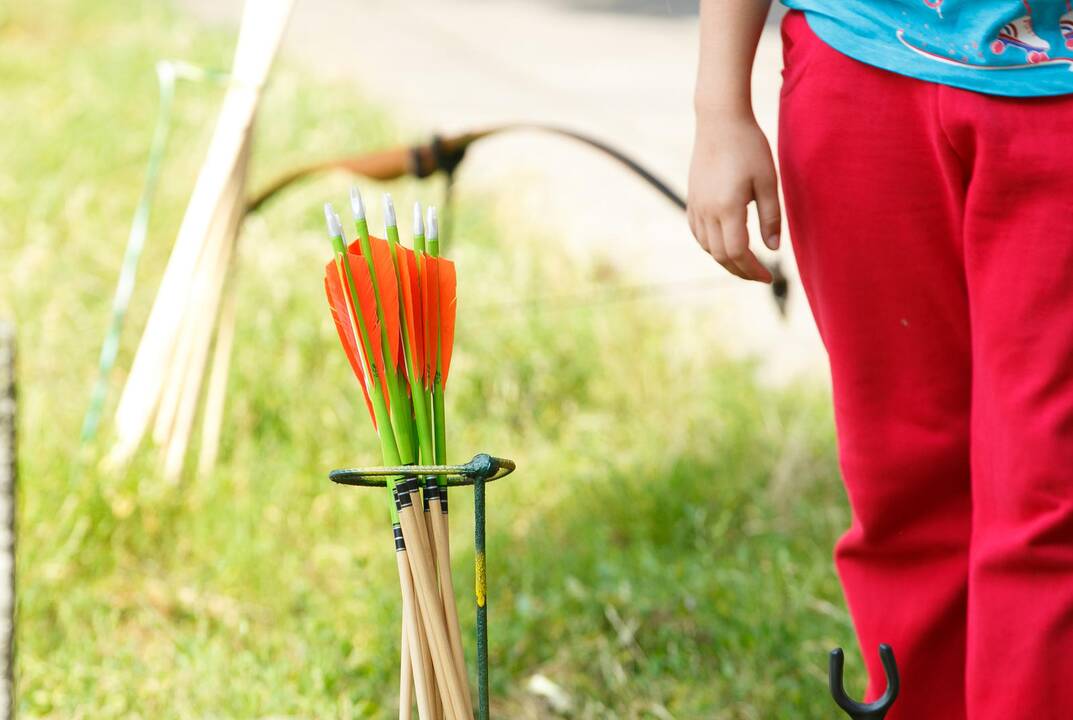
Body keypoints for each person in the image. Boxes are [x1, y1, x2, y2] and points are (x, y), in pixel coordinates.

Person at [688, 1, 1073, 718]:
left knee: (1048, 496)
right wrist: (719, 107)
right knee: (899, 472)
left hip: (1059, 104)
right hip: (860, 68)